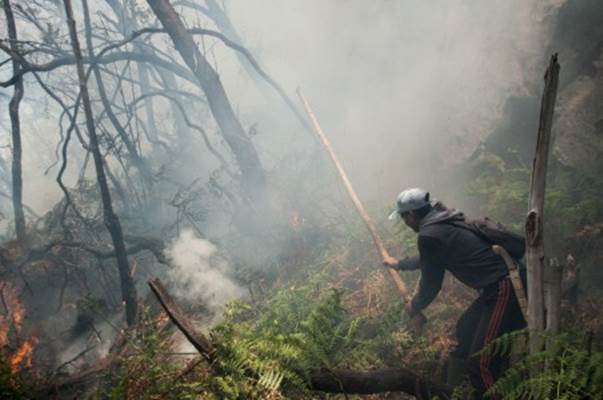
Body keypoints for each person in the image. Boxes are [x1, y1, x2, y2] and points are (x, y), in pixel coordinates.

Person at [383, 188, 526, 399]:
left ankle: (490, 391)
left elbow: (431, 284)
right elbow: (429, 257)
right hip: (498, 287)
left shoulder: (429, 234)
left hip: (506, 287)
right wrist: (400, 264)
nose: (405, 223)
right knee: (466, 330)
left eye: (403, 218)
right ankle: (458, 390)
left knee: (480, 364)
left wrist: (415, 305)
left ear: (411, 216)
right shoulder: (443, 219)